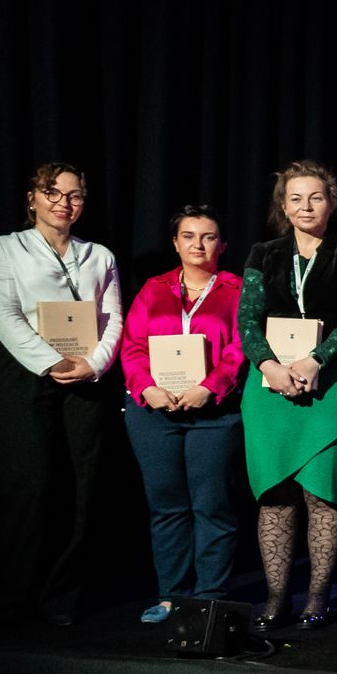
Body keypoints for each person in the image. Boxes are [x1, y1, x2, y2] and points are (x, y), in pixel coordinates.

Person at [0, 161, 123, 628]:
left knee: (81, 487)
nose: (64, 203)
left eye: (74, 195)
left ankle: (60, 596)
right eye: (53, 193)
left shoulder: (98, 255)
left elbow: (112, 318)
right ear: (33, 198)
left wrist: (94, 364)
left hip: (87, 377)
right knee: (28, 486)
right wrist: (51, 362)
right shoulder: (7, 248)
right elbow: (4, 315)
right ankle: (11, 598)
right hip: (24, 374)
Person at [239, 161, 337, 631]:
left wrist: (316, 359)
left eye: (316, 197)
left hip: (331, 387)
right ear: (284, 206)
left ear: (332, 204)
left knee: (324, 495)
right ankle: (276, 598)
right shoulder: (264, 253)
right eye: (296, 198)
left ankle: (318, 597)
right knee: (275, 496)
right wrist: (269, 365)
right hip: (269, 389)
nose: (306, 206)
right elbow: (247, 320)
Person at [120, 207, 248, 622]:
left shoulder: (237, 290)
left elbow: (241, 349)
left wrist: (209, 388)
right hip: (154, 411)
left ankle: (209, 597)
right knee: (167, 507)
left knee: (212, 505)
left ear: (221, 244)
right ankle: (171, 595)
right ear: (175, 243)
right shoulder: (152, 289)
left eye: (208, 237)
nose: (198, 244)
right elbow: (132, 346)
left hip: (214, 413)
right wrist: (147, 388)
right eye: (188, 236)